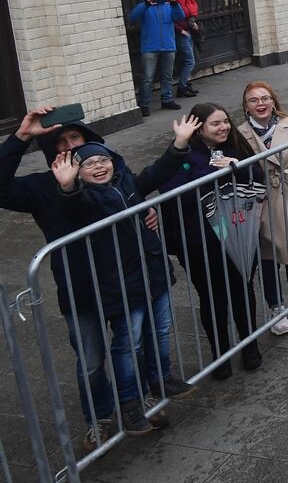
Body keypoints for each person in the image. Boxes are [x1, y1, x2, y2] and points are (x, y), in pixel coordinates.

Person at [2, 109, 198, 449]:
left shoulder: (112, 175)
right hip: (82, 290)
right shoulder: (39, 188)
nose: (69, 147)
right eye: (59, 143)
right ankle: (100, 418)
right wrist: (20, 139)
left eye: (75, 138)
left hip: (126, 284)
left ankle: (136, 402)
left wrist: (145, 210)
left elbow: (142, 186)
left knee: (132, 345)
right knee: (91, 361)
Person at [157, 103, 265, 379]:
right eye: (216, 123)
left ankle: (249, 345)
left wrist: (236, 167)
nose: (224, 128)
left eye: (226, 122)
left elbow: (258, 178)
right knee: (212, 297)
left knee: (243, 289)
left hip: (238, 235)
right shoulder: (183, 153)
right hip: (199, 242)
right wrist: (213, 173)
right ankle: (221, 354)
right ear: (198, 127)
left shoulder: (236, 147)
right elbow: (172, 190)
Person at [238, 83, 288, 336]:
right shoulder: (240, 134)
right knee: (268, 254)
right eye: (253, 100)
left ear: (274, 101)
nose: (260, 104)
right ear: (246, 107)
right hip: (261, 202)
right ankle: (276, 307)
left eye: (265, 98)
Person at [129, 0, 185, 116]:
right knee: (147, 78)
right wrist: (146, 4)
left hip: (168, 45)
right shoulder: (144, 7)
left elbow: (180, 16)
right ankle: (144, 104)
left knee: (167, 76)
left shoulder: (169, 6)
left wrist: (174, 3)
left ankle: (167, 99)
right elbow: (132, 17)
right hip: (150, 47)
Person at [171, 0, 201, 98]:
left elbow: (193, 9)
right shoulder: (174, 2)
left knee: (190, 60)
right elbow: (172, 20)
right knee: (190, 61)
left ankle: (185, 84)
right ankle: (182, 87)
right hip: (182, 34)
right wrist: (180, 30)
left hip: (189, 31)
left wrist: (193, 22)